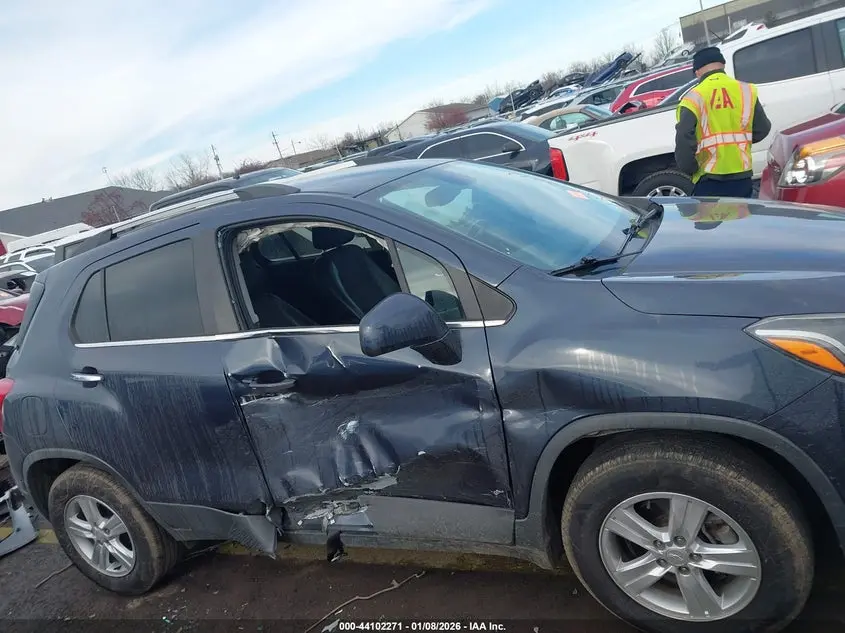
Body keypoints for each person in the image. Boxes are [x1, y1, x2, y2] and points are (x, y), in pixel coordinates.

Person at [675, 46, 771, 198]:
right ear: (723, 64)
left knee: (709, 220)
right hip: (742, 177)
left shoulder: (692, 98)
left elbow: (684, 141)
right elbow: (763, 129)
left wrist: (690, 168)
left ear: (697, 71)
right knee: (741, 220)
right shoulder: (746, 90)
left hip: (709, 178)